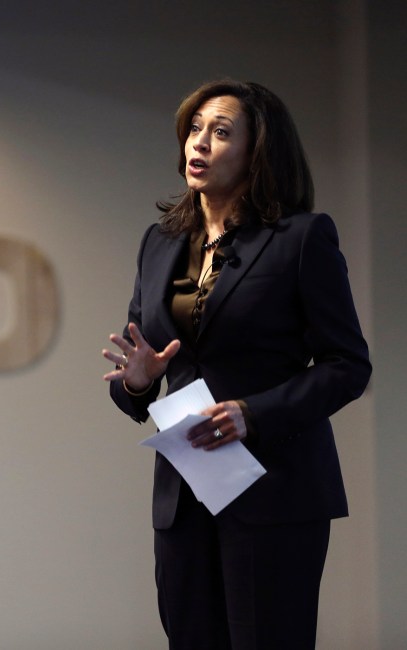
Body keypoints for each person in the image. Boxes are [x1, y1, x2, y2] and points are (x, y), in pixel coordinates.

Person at [101, 79, 371, 649]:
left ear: (257, 152)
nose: (199, 143)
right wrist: (138, 381)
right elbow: (139, 375)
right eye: (194, 129)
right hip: (185, 492)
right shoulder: (160, 243)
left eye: (221, 132)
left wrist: (254, 414)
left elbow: (348, 365)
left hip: (274, 490)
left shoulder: (300, 239)